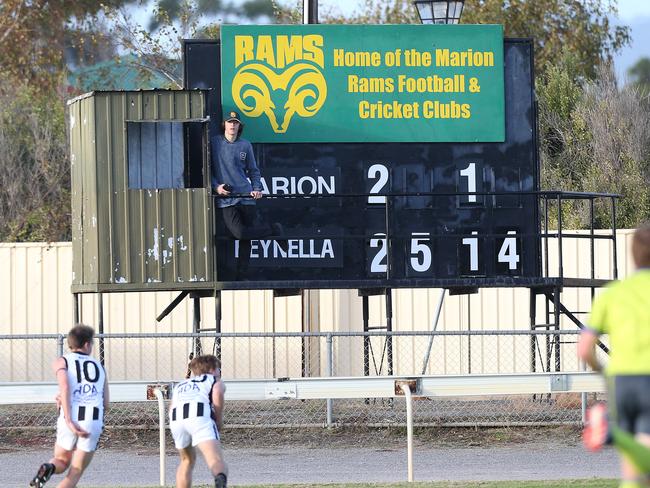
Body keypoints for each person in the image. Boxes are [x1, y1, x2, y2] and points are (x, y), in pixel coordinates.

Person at [578, 222, 650, 488]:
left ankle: (615, 433)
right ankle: (613, 433)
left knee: (634, 474)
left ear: (633, 254)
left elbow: (584, 347)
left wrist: (602, 372)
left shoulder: (613, 293)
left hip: (619, 380)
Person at [30, 324, 109, 488]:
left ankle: (49, 468)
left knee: (61, 460)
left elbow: (65, 387)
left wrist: (68, 420)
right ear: (87, 344)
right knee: (76, 471)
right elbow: (106, 403)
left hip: (69, 415)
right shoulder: (99, 366)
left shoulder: (62, 361)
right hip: (92, 420)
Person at [211, 110, 286, 275]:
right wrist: (216, 187)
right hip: (227, 199)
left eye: (235, 122)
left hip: (246, 197)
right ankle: (273, 229)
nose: (232, 125)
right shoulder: (214, 143)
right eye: (230, 122)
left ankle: (242, 273)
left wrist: (257, 188)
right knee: (239, 233)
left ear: (239, 126)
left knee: (247, 239)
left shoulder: (245, 145)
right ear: (224, 124)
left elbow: (254, 170)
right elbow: (206, 170)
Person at [169, 354, 228, 488]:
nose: (219, 372)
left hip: (176, 420)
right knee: (215, 459)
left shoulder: (181, 384)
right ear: (212, 369)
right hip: (199, 417)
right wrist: (218, 420)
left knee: (186, 460)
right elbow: (218, 392)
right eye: (218, 368)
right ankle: (220, 480)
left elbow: (171, 406)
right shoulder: (213, 379)